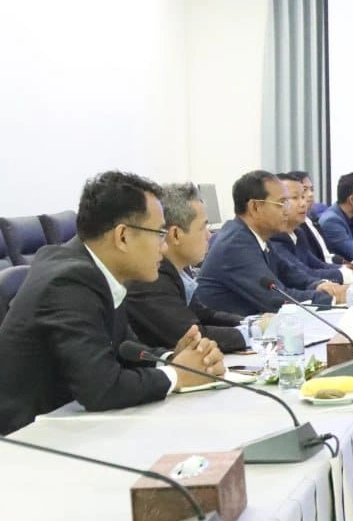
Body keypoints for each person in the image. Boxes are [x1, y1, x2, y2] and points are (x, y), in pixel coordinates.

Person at [0, 172, 225, 435]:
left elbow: (122, 348)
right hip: (27, 439)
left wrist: (171, 358)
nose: (164, 248)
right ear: (123, 237)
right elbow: (102, 388)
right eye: (159, 234)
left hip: (71, 425)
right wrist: (178, 374)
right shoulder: (69, 282)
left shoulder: (95, 270)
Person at [195, 170, 345, 316]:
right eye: (281, 203)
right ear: (255, 207)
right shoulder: (236, 244)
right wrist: (332, 299)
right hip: (228, 328)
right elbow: (275, 299)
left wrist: (319, 285)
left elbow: (289, 273)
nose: (287, 210)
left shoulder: (256, 235)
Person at [124, 183, 249, 355]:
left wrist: (250, 322)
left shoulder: (180, 268)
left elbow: (205, 315)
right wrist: (254, 333)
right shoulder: (150, 277)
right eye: (203, 227)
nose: (209, 236)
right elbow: (191, 335)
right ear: (176, 234)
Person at [272, 173, 349, 284]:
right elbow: (304, 273)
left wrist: (347, 269)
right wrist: (347, 275)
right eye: (295, 197)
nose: (303, 203)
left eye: (302, 197)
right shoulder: (274, 239)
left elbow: (317, 264)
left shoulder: (299, 233)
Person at [292, 170, 336, 265]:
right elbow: (311, 265)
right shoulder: (296, 226)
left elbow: (327, 255)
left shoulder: (312, 218)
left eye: (311, 189)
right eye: (305, 190)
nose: (310, 194)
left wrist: (346, 267)